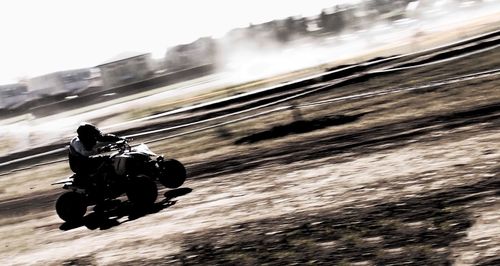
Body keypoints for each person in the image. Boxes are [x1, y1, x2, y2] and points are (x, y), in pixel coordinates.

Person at [68, 122, 123, 188]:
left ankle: (113, 179)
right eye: (92, 134)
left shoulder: (88, 138)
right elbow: (85, 153)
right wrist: (102, 150)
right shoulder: (77, 142)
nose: (94, 136)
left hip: (87, 161)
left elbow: (102, 139)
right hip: (79, 165)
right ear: (86, 135)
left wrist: (117, 139)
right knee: (106, 162)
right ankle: (101, 185)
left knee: (111, 158)